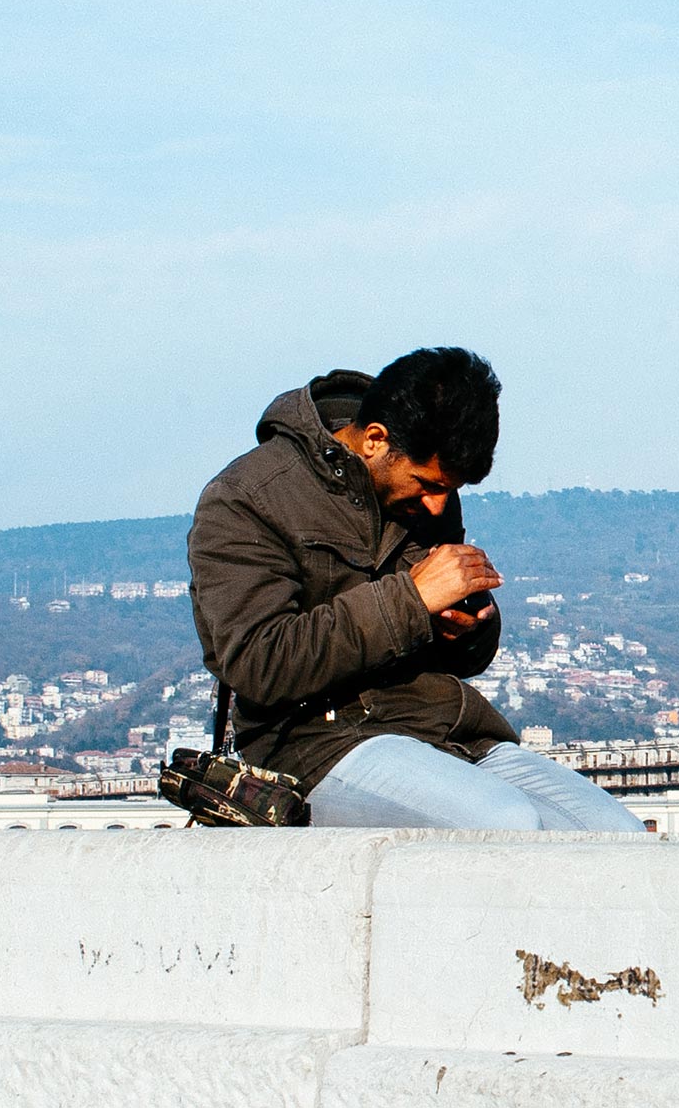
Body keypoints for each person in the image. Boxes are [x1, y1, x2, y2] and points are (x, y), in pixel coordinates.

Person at [187, 349, 644, 831]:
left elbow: (462, 655)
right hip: (313, 746)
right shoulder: (246, 497)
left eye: (450, 489)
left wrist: (467, 626)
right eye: (427, 484)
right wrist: (413, 599)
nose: (438, 504)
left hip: (444, 730)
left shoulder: (427, 493)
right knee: (505, 824)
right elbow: (259, 664)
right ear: (375, 439)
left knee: (620, 839)